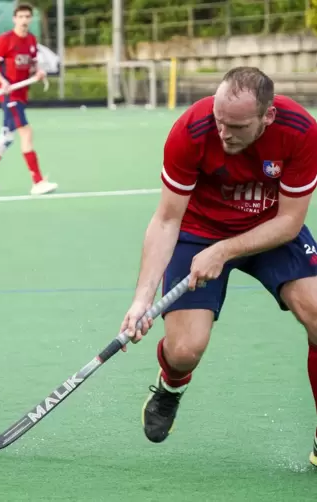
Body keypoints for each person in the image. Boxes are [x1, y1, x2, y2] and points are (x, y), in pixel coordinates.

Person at [120, 66, 317, 467]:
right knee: (184, 350)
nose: (224, 133)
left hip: (271, 229)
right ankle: (171, 386)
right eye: (219, 121)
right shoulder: (191, 130)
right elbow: (166, 220)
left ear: (268, 117)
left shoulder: (301, 130)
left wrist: (225, 250)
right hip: (197, 230)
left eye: (238, 126)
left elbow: (290, 221)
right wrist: (142, 299)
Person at [0, 2, 57, 197]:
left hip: (22, 95)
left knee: (7, 137)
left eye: (28, 17)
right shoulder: (5, 40)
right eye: (21, 17)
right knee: (26, 132)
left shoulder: (32, 40)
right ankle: (37, 181)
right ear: (14, 19)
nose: (24, 20)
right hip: (10, 96)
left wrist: (39, 72)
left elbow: (33, 66)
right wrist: (3, 81)